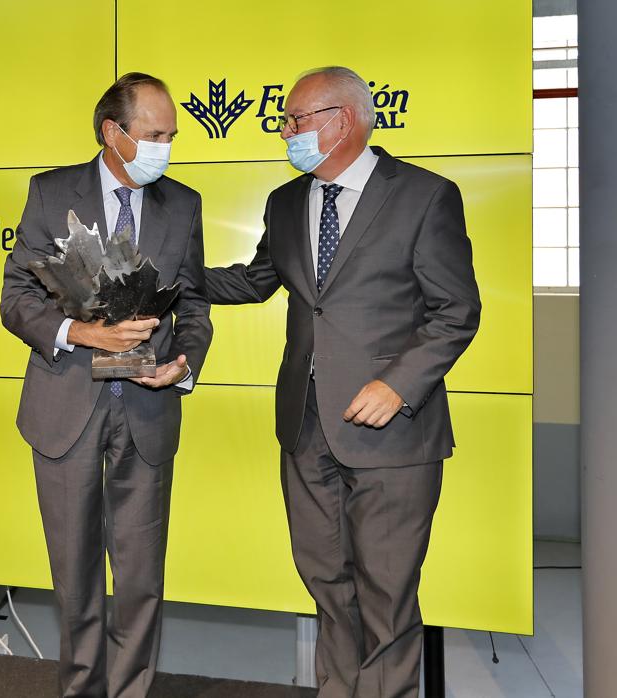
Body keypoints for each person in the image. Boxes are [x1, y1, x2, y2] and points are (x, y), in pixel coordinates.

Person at [205, 66, 482, 697]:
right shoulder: (285, 201)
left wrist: (398, 384)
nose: (287, 132)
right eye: (286, 121)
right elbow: (254, 283)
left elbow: (456, 310)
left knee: (385, 595)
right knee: (326, 581)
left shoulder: (423, 196)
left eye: (297, 119)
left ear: (345, 119)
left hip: (393, 434)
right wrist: (166, 273)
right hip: (305, 428)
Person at [0, 72, 213, 698]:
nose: (165, 147)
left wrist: (184, 362)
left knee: (141, 577)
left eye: (171, 135)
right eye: (153, 134)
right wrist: (81, 333)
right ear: (112, 133)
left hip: (147, 412)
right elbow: (15, 299)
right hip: (66, 407)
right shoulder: (49, 193)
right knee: (74, 572)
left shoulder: (184, 205)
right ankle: (81, 689)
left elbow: (194, 305)